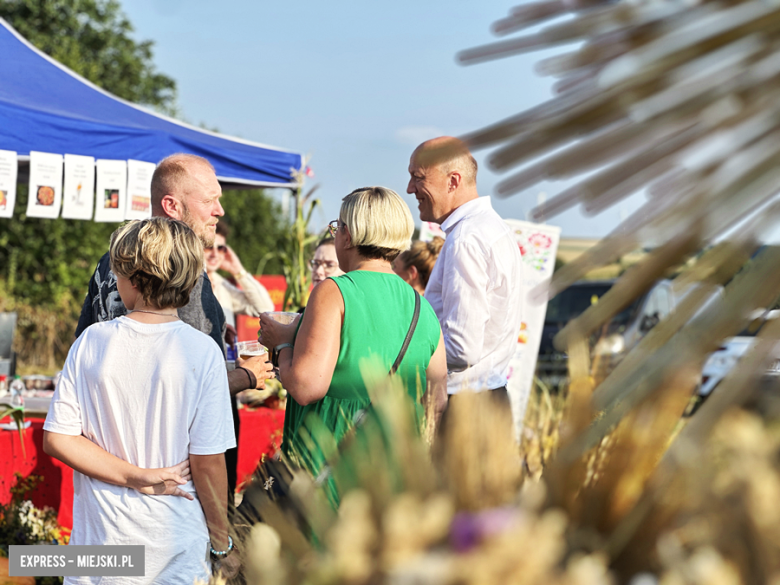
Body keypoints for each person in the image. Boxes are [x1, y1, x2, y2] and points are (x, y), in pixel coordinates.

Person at [44, 218, 239, 582]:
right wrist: (222, 543)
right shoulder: (202, 351)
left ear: (133, 280)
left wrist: (135, 477)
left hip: (97, 546)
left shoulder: (90, 341)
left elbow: (58, 438)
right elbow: (209, 461)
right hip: (172, 547)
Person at [75, 153, 274, 497]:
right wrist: (249, 375)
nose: (219, 211)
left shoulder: (111, 261)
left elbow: (91, 359)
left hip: (112, 468)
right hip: (175, 477)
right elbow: (190, 386)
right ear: (171, 205)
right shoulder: (183, 270)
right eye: (210, 201)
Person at [259, 187, 448, 499]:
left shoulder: (334, 291)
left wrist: (282, 343)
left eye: (337, 226)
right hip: (395, 476)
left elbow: (307, 387)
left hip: (330, 472)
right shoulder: (421, 307)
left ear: (347, 236)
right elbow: (437, 403)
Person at [407, 137, 523, 399]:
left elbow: (461, 349)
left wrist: (400, 354)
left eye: (418, 177)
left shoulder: (466, 238)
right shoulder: (492, 228)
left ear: (453, 181)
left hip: (465, 405)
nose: (409, 188)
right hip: (486, 396)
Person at [206, 221, 274, 331]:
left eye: (220, 248)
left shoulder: (222, 285)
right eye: (208, 247)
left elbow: (265, 308)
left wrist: (238, 270)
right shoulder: (186, 283)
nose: (215, 254)